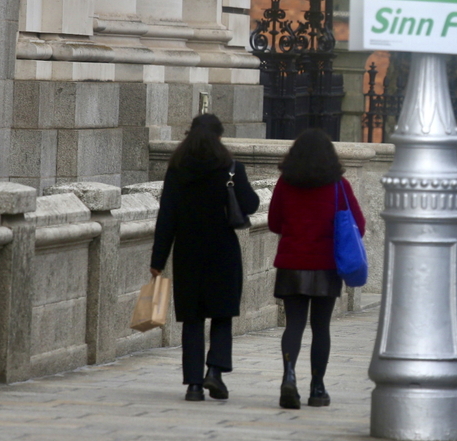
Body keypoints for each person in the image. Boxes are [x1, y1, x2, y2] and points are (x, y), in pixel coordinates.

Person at [150, 114, 261, 402]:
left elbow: (167, 218)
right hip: (223, 252)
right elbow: (251, 205)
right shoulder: (231, 169)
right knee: (222, 314)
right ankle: (216, 371)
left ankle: (194, 385)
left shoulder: (177, 169)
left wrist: (158, 261)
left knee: (193, 319)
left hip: (188, 253)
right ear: (219, 137)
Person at [268, 128, 365, 409]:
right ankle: (317, 387)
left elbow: (274, 223)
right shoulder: (338, 186)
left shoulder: (285, 183)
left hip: (291, 264)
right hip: (325, 266)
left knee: (294, 325)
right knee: (321, 328)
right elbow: (358, 223)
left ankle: (288, 375)